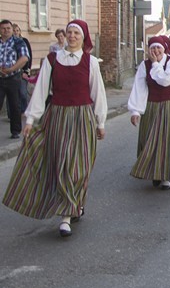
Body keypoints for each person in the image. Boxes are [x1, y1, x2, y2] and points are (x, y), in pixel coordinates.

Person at [2, 20, 107, 237]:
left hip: (82, 117)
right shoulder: (52, 60)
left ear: (83, 37)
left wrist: (101, 122)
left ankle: (76, 201)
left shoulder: (91, 62)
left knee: (80, 165)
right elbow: (41, 91)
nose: (71, 36)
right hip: (58, 115)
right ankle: (66, 215)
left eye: (76, 33)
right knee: (62, 163)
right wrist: (30, 120)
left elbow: (98, 93)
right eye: (69, 32)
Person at [128, 36, 170, 191]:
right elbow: (140, 87)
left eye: (158, 48)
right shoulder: (144, 65)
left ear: (164, 48)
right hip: (152, 106)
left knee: (167, 140)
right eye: (153, 48)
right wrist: (135, 110)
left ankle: (165, 176)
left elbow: (168, 80)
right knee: (150, 139)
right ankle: (154, 172)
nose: (155, 51)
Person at [0, 20, 30, 139]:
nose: (6, 31)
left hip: (13, 77)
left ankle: (15, 131)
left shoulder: (18, 42)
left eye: (8, 28)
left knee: (14, 104)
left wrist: (12, 69)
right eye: (3, 28)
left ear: (12, 30)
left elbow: (24, 58)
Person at [12, 24, 33, 114]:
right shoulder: (9, 43)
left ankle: (24, 110)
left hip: (22, 71)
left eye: (17, 30)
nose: (16, 32)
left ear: (20, 31)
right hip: (11, 72)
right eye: (14, 30)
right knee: (12, 94)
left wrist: (27, 72)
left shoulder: (24, 41)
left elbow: (29, 57)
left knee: (23, 93)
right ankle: (12, 114)